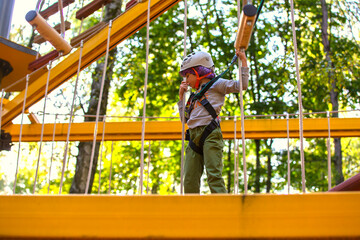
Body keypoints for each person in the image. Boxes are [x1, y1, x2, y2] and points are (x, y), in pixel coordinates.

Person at [178, 49, 249, 194]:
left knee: (214, 175)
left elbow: (241, 86)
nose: (186, 80)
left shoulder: (217, 84)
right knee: (189, 180)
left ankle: (223, 211)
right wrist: (181, 97)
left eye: (188, 75)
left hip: (210, 133)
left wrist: (243, 61)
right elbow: (184, 119)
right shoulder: (193, 96)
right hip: (193, 137)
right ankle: (192, 213)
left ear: (198, 72)